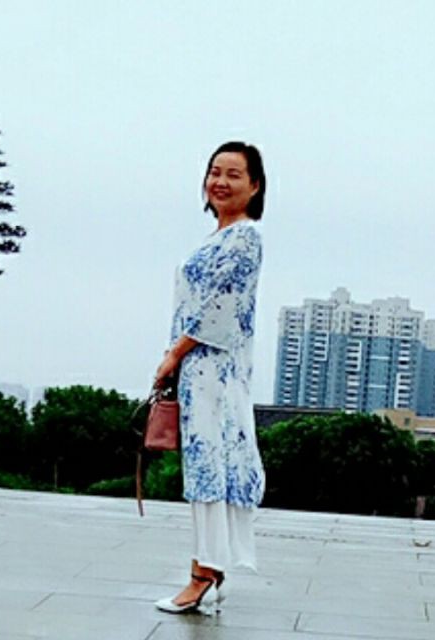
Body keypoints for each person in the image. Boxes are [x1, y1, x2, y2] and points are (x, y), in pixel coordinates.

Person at [153, 141, 267, 615]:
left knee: (209, 464)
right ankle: (208, 569)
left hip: (214, 370)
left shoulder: (245, 237)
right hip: (202, 370)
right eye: (214, 172)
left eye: (233, 174)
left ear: (254, 186)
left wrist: (173, 355)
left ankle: (203, 574)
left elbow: (220, 309)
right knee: (205, 463)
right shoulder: (218, 237)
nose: (219, 181)